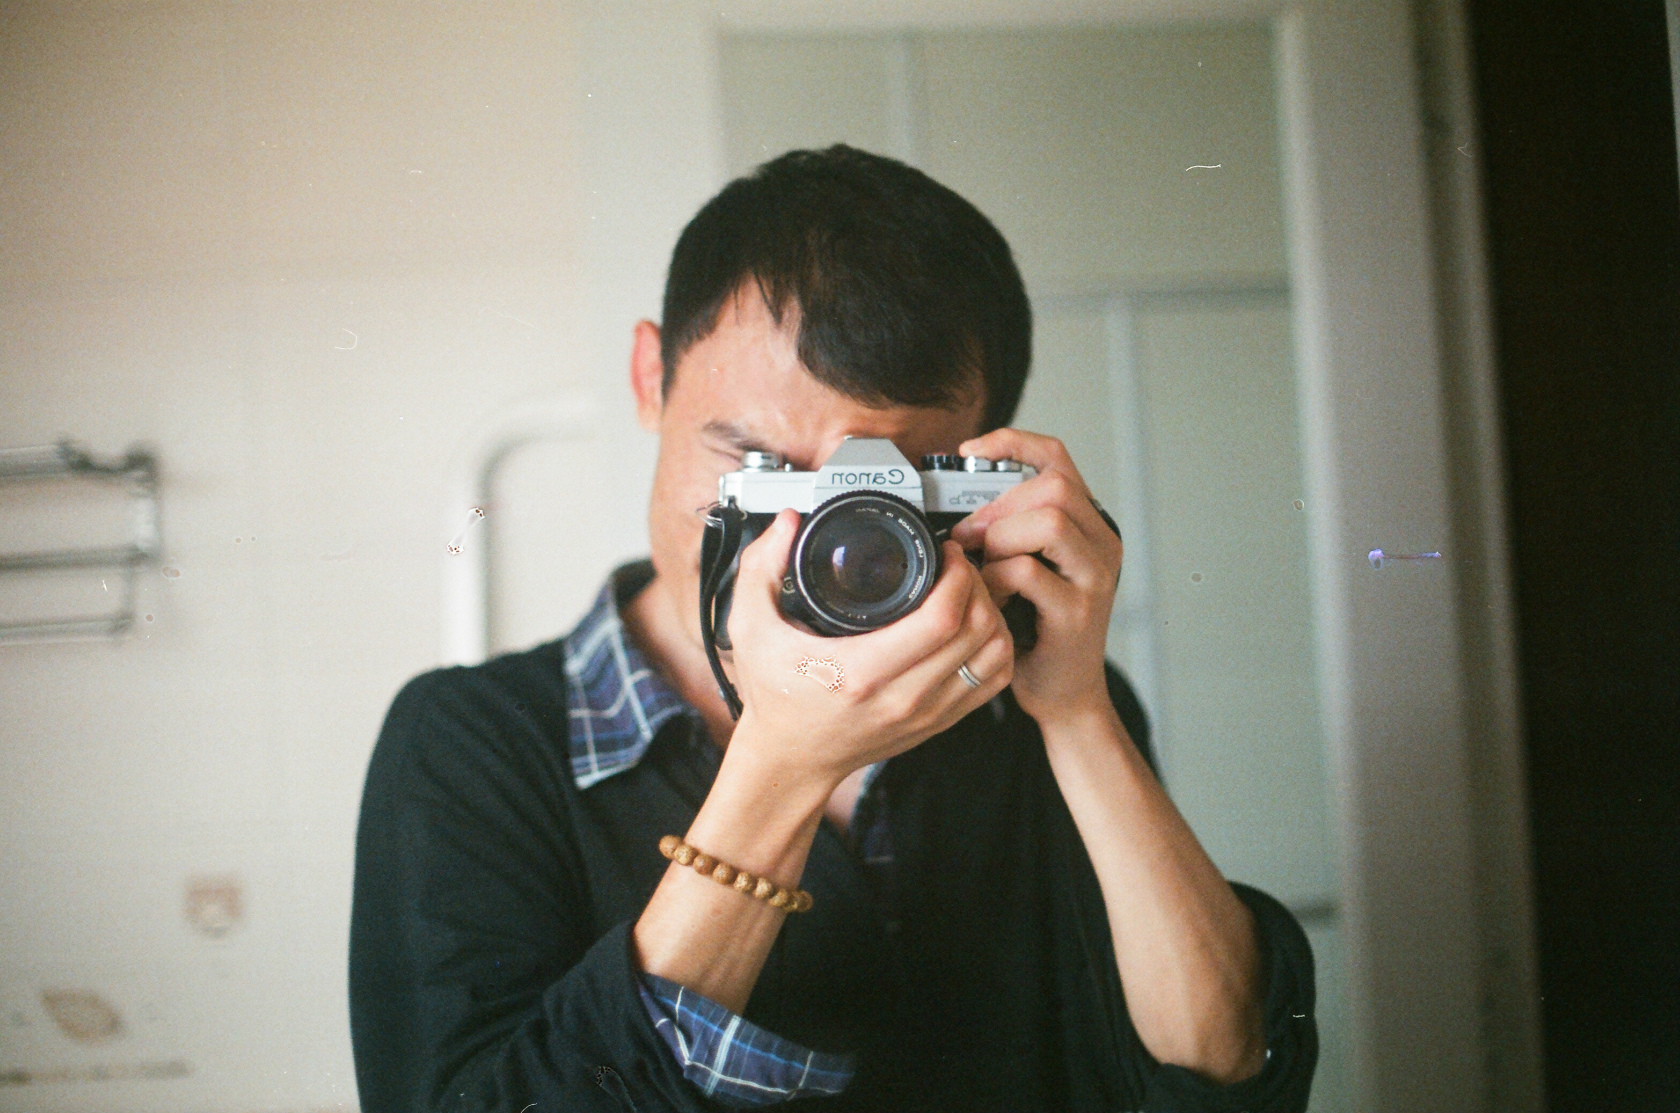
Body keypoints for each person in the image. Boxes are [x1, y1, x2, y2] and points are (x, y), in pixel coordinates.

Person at [349, 145, 1317, 1112]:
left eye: (879, 494)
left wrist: (1077, 711)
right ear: (650, 377)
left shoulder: (1027, 713)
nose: (807, 536)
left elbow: (1226, 1071)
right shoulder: (472, 744)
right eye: (757, 463)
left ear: (980, 465)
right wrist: (784, 766)